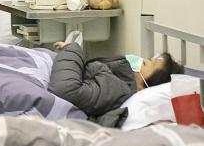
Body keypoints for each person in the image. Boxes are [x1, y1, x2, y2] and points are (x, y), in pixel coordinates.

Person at [49, 41, 184, 127]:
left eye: (145, 63)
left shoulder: (117, 89)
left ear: (145, 87)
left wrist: (72, 49)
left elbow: (66, 89)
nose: (140, 59)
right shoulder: (118, 79)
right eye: (147, 59)